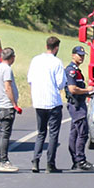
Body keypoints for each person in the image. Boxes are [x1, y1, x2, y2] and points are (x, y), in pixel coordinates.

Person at [27, 35, 66, 173]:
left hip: (39, 101)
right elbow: (61, 83)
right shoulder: (57, 62)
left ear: (46, 46)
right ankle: (50, 163)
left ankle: (35, 160)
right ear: (56, 48)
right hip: (53, 101)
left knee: (41, 132)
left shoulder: (35, 60)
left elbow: (30, 79)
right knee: (53, 134)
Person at [65, 46, 94, 170]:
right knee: (82, 133)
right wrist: (87, 90)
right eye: (79, 55)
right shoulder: (71, 70)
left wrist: (89, 93)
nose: (82, 57)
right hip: (77, 105)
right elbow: (72, 89)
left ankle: (76, 159)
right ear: (73, 55)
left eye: (83, 55)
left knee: (74, 133)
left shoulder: (76, 70)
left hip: (79, 103)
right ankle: (80, 160)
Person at [0, 48, 22, 172]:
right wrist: (14, 103)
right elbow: (7, 87)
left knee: (1, 133)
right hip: (6, 105)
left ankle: (0, 158)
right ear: (12, 57)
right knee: (5, 134)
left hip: (0, 104)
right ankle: (3, 160)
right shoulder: (6, 69)